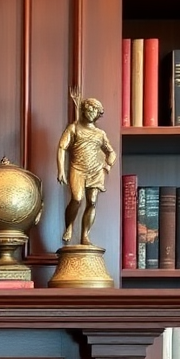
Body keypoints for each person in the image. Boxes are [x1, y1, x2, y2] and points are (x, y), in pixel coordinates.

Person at [57, 90, 116, 247]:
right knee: (77, 199)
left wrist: (107, 166)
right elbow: (62, 147)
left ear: (98, 114)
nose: (91, 112)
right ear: (83, 110)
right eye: (88, 109)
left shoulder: (100, 134)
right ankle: (69, 225)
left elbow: (111, 152)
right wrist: (61, 169)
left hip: (96, 171)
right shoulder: (74, 128)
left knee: (92, 201)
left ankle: (85, 236)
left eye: (94, 110)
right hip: (77, 168)